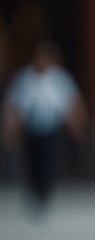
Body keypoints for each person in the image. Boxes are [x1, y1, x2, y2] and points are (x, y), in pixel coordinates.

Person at [2, 42, 87, 208]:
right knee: (31, 160)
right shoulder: (25, 78)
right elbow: (14, 104)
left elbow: (72, 103)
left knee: (48, 161)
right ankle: (33, 191)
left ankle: (44, 192)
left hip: (50, 127)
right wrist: (11, 127)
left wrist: (77, 124)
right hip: (31, 126)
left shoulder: (60, 79)